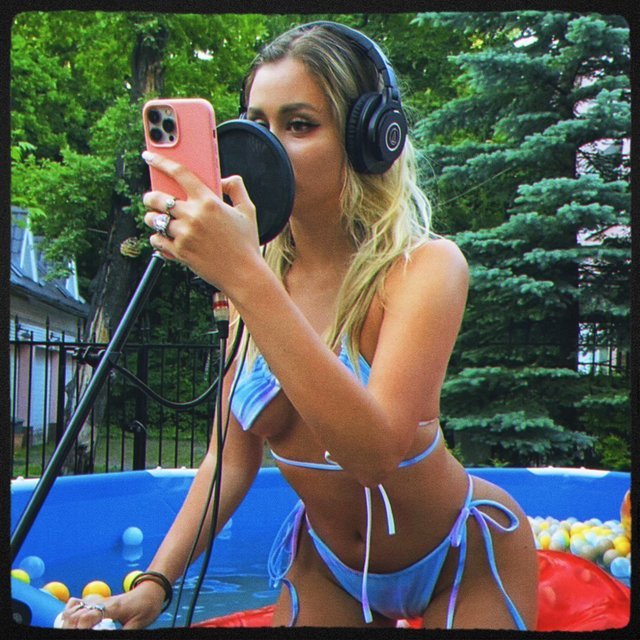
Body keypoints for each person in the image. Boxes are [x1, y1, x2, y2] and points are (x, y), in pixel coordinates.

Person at [61, 21, 538, 629]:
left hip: (461, 557)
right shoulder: (252, 277)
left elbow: (373, 456)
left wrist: (245, 277)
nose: (269, 146)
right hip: (326, 566)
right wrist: (155, 584)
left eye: (300, 124)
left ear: (369, 139)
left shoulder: (426, 268)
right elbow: (229, 461)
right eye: (258, 125)